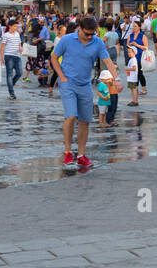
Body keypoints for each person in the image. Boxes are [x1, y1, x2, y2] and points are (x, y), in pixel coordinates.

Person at [52, 17, 122, 168]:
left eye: (92, 34)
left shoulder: (97, 42)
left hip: (85, 85)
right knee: (71, 116)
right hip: (68, 83)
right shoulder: (67, 40)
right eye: (87, 34)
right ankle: (68, 151)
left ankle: (81, 155)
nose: (90, 37)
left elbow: (107, 60)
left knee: (85, 120)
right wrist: (61, 76)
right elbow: (54, 57)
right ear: (79, 28)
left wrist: (116, 79)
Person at [0, 19, 24, 99]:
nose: (16, 28)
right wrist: (1, 58)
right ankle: (12, 93)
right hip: (9, 56)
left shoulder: (17, 34)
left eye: (16, 26)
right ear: (10, 26)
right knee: (9, 74)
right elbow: (2, 47)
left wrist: (21, 48)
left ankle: (10, 85)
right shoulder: (6, 35)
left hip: (17, 56)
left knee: (20, 72)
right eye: (14, 26)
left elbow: (19, 44)